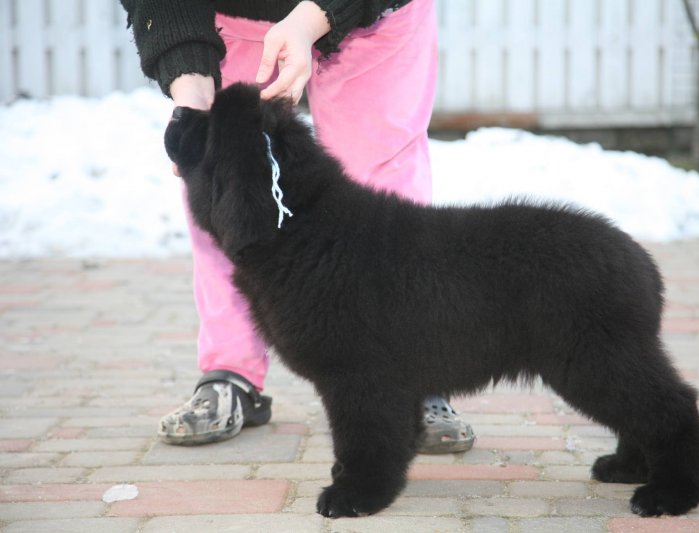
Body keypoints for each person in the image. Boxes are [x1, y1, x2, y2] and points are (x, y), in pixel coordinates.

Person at [120, 0, 475, 453]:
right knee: (225, 181)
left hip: (374, 17)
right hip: (233, 15)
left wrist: (309, 22)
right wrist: (191, 90)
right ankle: (230, 371)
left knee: (382, 183)